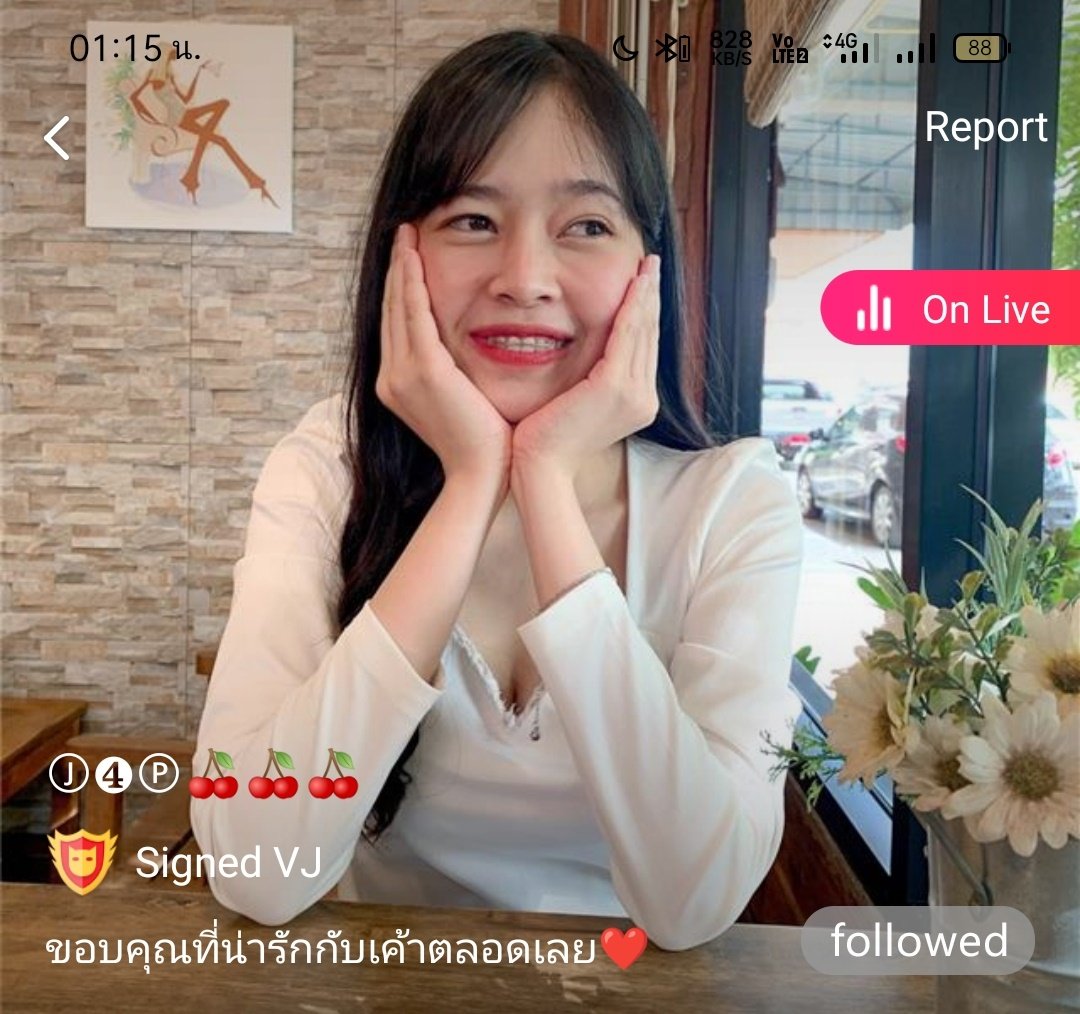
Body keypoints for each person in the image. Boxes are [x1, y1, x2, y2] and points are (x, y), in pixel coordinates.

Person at [190, 29, 803, 952]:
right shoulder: (324, 470)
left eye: (586, 226)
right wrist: (473, 482)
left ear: (648, 268)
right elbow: (255, 870)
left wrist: (543, 480)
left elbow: (695, 898)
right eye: (473, 220)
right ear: (400, 255)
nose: (524, 280)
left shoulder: (733, 507)